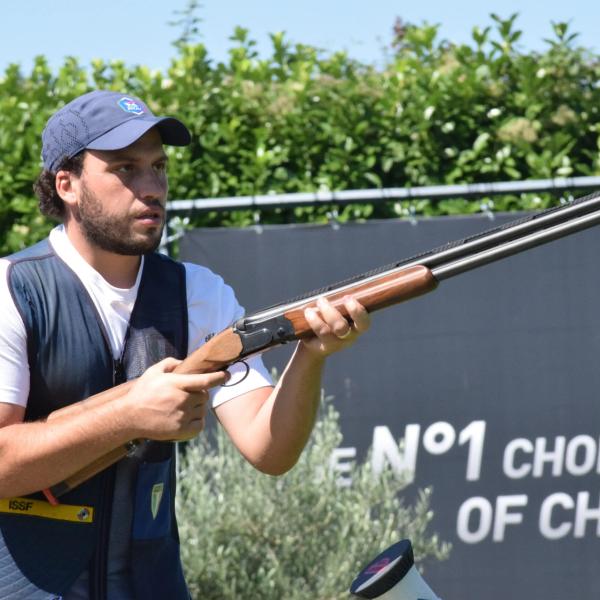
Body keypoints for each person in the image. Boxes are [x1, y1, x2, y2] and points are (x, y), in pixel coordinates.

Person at [0, 90, 370, 599]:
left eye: (159, 167)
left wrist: (312, 354)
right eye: (126, 169)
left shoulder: (197, 292)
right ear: (67, 184)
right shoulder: (12, 289)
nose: (152, 188)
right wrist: (129, 416)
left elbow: (270, 449)